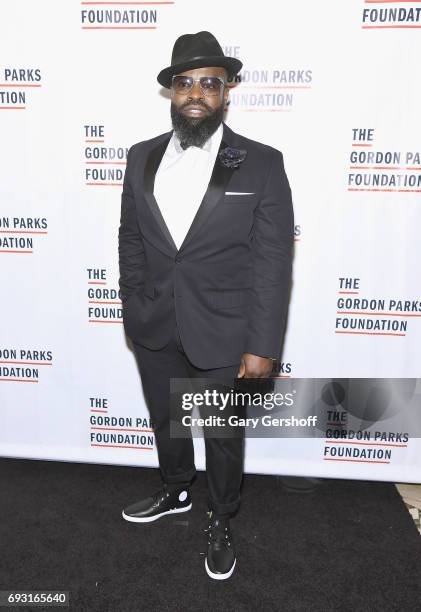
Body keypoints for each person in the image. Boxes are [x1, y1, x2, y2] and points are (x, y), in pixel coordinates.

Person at [118, 30, 294, 580]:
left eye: (209, 84)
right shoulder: (140, 157)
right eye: (185, 82)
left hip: (223, 329)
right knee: (167, 421)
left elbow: (272, 263)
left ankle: (221, 515)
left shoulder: (262, 164)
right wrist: (131, 297)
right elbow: (130, 237)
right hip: (154, 322)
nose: (196, 92)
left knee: (220, 433)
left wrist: (262, 346)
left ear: (227, 91)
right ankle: (176, 491)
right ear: (172, 91)